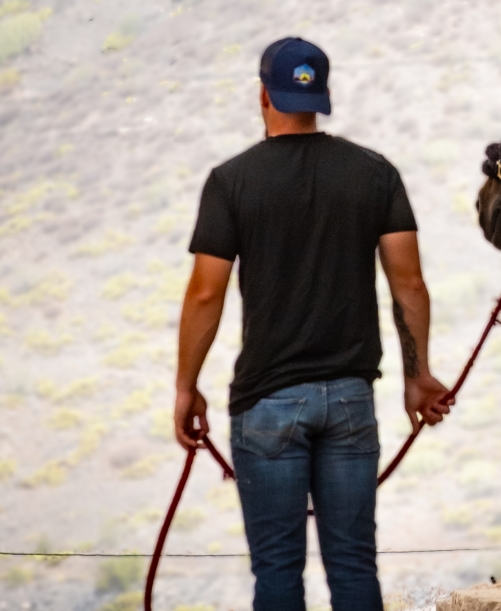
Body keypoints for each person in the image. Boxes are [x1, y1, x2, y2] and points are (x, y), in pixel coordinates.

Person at [174, 37, 452, 611]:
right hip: (350, 400)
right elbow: (410, 285)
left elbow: (206, 294)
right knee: (353, 565)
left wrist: (186, 386)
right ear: (321, 96)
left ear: (262, 96)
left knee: (277, 571)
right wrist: (418, 374)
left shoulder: (231, 182)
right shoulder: (375, 174)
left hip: (267, 402)